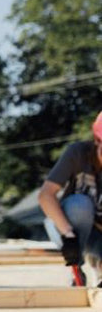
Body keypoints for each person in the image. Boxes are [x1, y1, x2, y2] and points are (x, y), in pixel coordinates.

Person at [38, 110, 102, 286]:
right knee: (80, 205)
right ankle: (77, 270)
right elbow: (45, 195)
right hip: (68, 227)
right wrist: (69, 235)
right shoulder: (78, 154)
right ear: (97, 141)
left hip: (98, 236)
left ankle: (98, 264)